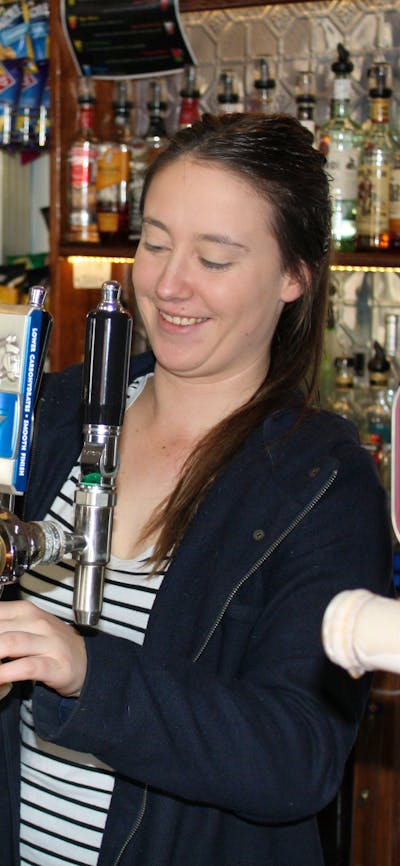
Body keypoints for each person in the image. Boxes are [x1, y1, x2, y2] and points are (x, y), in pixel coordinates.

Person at [0, 113, 392, 866]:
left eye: (214, 258)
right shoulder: (56, 411)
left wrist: (89, 673)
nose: (167, 284)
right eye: (154, 243)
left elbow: (299, 756)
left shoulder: (322, 482)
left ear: (294, 276)